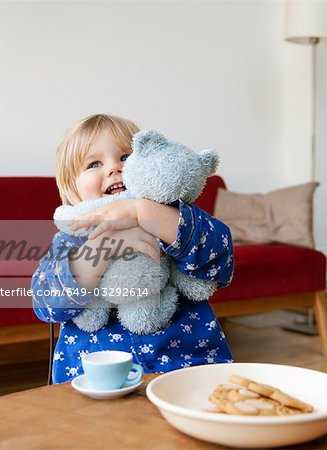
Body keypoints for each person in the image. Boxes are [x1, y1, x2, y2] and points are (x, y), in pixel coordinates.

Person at [32, 113, 234, 383]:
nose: (114, 168)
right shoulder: (72, 237)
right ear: (72, 187)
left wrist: (142, 210)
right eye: (94, 163)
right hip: (95, 377)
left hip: (187, 366)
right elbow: (46, 305)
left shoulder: (173, 216)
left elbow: (221, 260)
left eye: (125, 157)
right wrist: (105, 245)